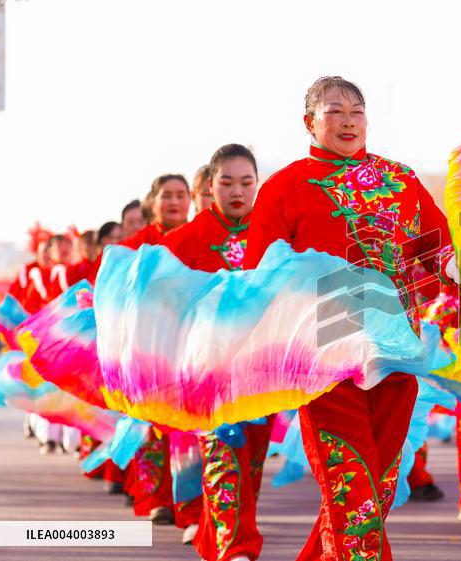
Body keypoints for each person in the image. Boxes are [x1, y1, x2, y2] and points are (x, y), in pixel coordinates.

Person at [243, 76, 456, 561]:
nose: (347, 121)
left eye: (356, 112)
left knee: (375, 488)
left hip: (395, 353)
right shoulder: (285, 188)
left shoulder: (400, 180)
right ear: (310, 122)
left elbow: (436, 245)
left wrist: (457, 267)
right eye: (334, 111)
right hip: (327, 360)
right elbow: (260, 277)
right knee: (352, 488)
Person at [163, 144, 270, 560]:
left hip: (262, 370)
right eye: (226, 182)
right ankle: (235, 548)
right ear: (210, 186)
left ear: (257, 184)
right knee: (223, 454)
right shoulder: (182, 242)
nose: (237, 191)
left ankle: (217, 536)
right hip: (206, 371)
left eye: (246, 182)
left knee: (251, 464)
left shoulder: (275, 238)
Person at [119, 174, 192, 525]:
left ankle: (191, 503)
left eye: (180, 194)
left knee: (189, 428)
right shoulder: (137, 244)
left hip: (191, 346)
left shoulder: (200, 236)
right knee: (152, 428)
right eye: (167, 195)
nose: (174, 201)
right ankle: (159, 499)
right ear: (153, 201)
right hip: (148, 349)